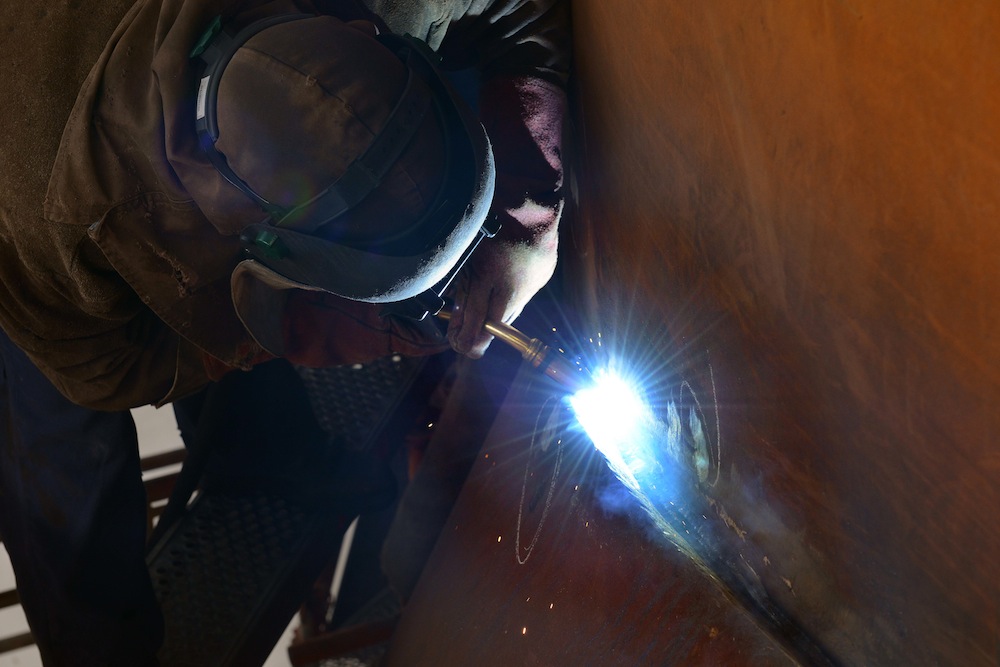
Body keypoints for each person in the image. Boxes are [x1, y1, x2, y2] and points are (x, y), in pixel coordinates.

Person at [0, 0, 570, 664]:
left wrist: (529, 217)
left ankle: (269, 462)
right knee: (61, 483)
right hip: (19, 137)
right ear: (265, 238)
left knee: (249, 398)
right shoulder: (57, 221)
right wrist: (279, 329)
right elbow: (102, 370)